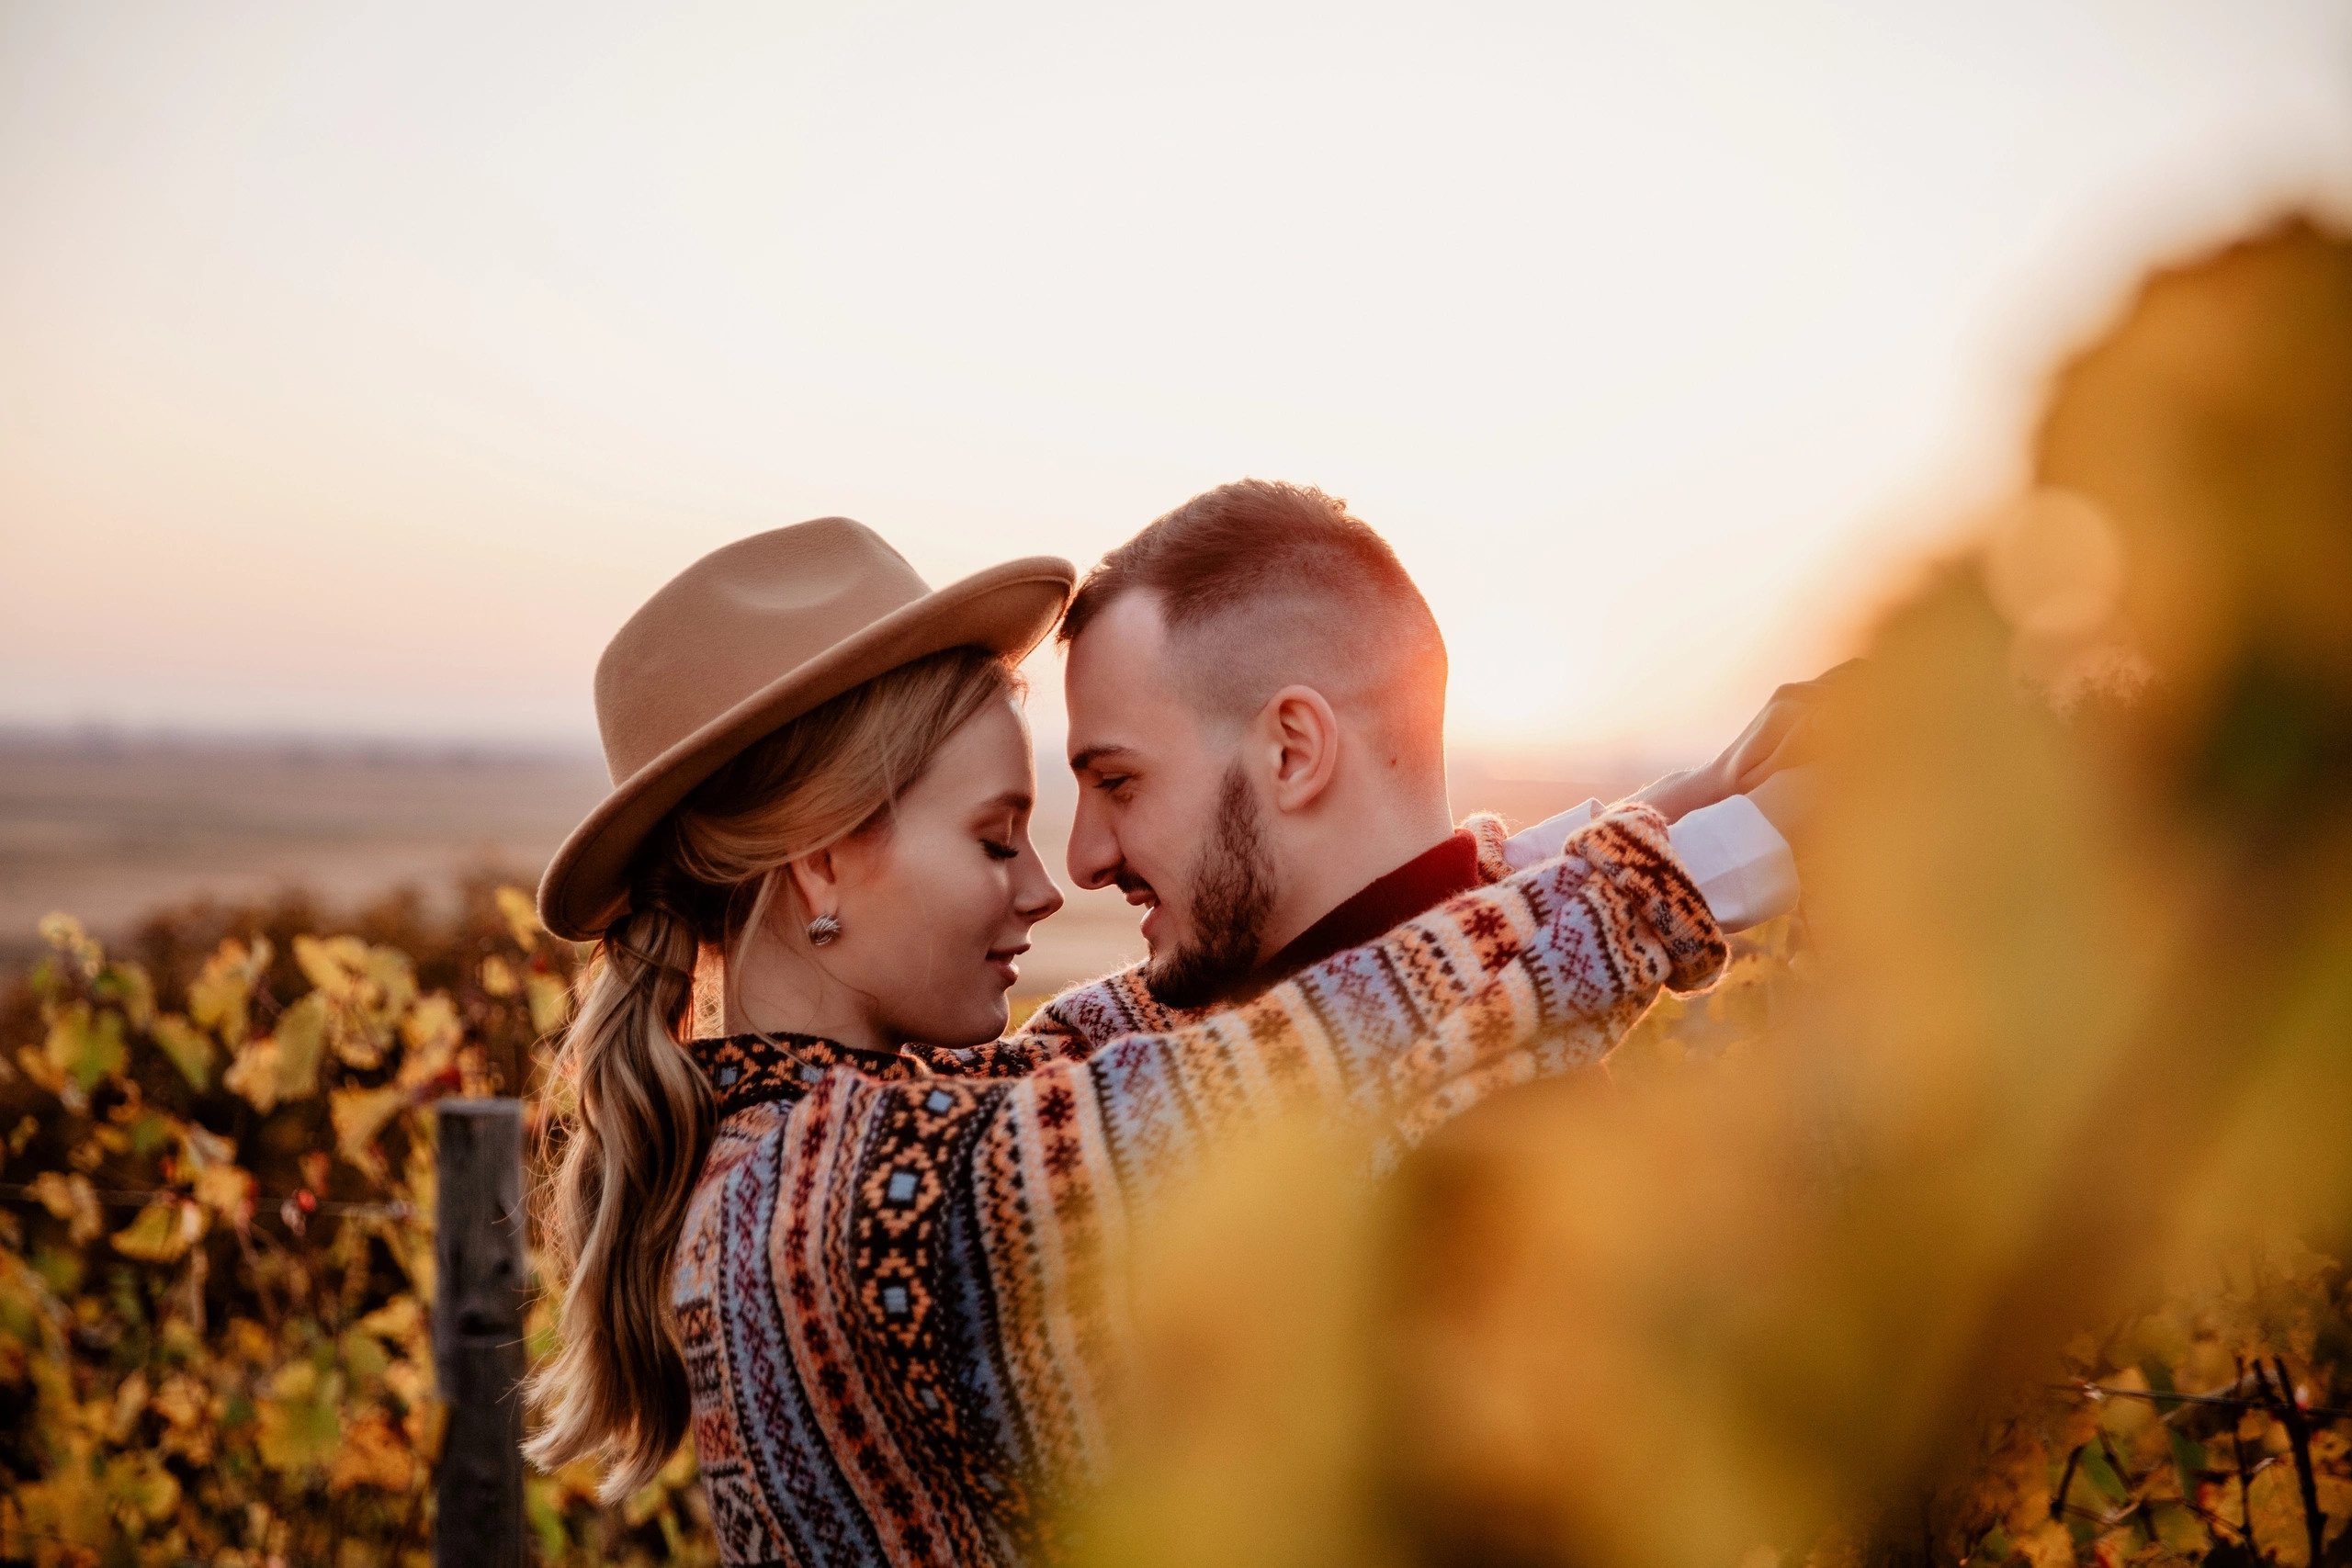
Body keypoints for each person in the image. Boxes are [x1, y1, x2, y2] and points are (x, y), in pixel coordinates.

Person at [523, 510, 1810, 1568]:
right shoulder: (831, 1211)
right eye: (991, 839)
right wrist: (1718, 864)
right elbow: (1269, 1070)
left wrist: (1665, 807)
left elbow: (1142, 1031)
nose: (1049, 883)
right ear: (823, 867)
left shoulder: (815, 1141)